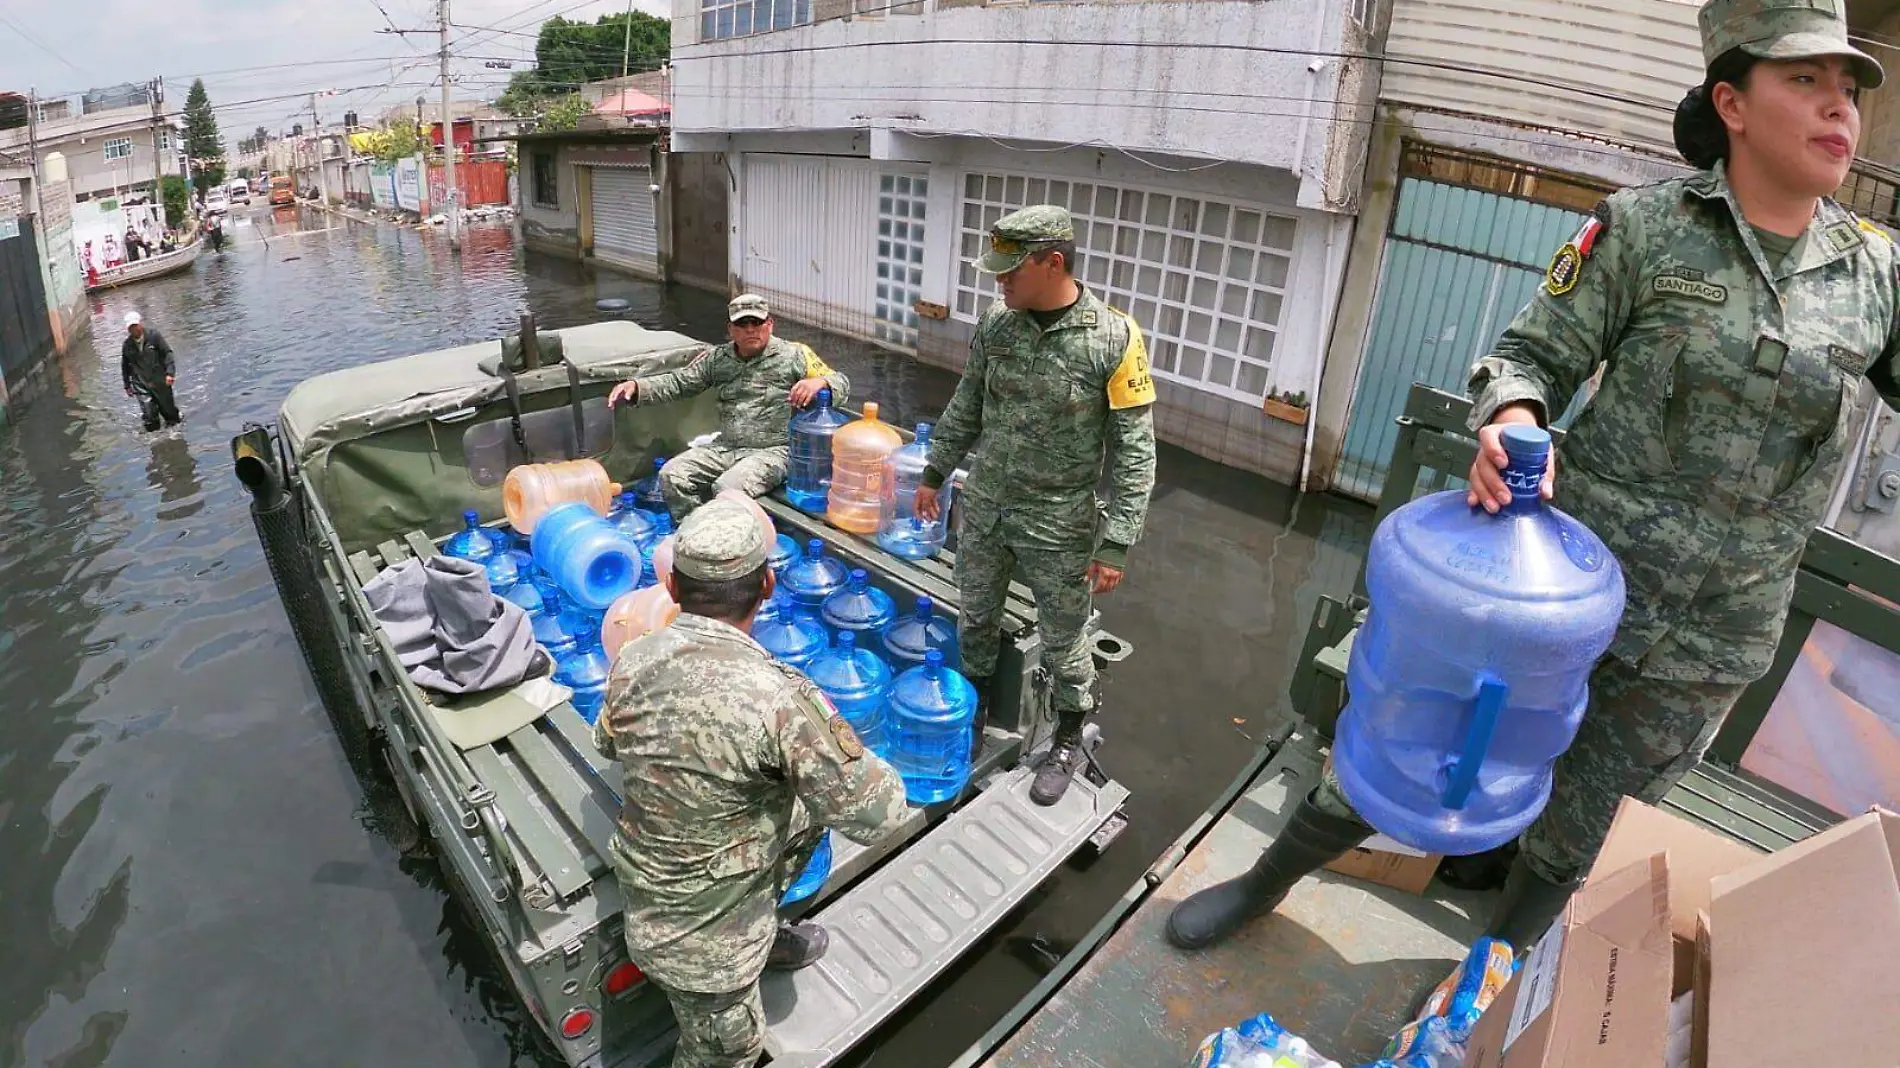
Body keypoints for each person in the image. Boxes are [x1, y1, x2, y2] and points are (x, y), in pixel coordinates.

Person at [1166, 0, 1900, 956]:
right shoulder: (1644, 231)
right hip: (1557, 595)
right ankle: (1264, 884)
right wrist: (1512, 420)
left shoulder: (1879, 276)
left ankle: (1483, 986)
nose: (1839, 109)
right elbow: (1529, 356)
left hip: (1716, 633)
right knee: (1420, 751)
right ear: (1732, 100)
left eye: (1849, 89)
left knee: (1586, 826)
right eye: (1805, 81)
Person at [592, 499, 913, 1068]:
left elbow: (607, 743)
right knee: (724, 1055)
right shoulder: (780, 698)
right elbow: (880, 814)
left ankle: (767, 929)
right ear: (767, 585)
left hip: (652, 885)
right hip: (705, 953)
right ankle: (751, 947)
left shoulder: (634, 656)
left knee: (800, 804)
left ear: (668, 584)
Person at [912, 205, 1158, 807]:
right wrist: (934, 473)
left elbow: (1135, 451)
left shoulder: (1115, 337)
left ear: (1053, 263)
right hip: (988, 503)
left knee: (1064, 636)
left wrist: (1117, 541)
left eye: (1010, 269)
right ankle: (969, 716)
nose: (999, 280)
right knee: (975, 614)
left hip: (1059, 520)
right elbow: (967, 403)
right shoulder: (998, 324)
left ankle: (1068, 738)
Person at [607, 294, 849, 524]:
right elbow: (680, 382)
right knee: (672, 475)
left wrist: (820, 382)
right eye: (742, 324)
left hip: (775, 451)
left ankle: (727, 545)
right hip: (727, 446)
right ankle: (696, 532)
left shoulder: (795, 354)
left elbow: (841, 382)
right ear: (731, 330)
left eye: (757, 322)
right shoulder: (717, 359)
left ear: (770, 324)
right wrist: (638, 387)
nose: (750, 329)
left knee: (726, 488)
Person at [122, 312, 183, 431]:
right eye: (130, 327)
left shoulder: (154, 336)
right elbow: (125, 366)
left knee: (170, 415)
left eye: (135, 326)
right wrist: (127, 386)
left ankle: (175, 431)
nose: (134, 329)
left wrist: (170, 373)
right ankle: (155, 441)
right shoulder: (127, 345)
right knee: (150, 416)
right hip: (141, 384)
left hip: (159, 380)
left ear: (140, 324)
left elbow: (167, 353)